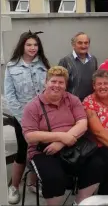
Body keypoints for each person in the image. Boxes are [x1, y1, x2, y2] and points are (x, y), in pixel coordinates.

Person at [21, 66, 103, 206]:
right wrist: (61, 136)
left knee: (98, 165)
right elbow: (30, 136)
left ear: (66, 85)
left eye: (61, 82)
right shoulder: (32, 106)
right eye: (53, 81)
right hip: (43, 151)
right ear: (45, 82)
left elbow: (82, 123)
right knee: (54, 178)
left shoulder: (72, 100)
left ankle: (79, 202)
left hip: (71, 145)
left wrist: (62, 142)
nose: (57, 85)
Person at [4, 30, 50, 204]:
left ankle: (32, 182)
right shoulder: (12, 67)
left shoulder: (44, 65)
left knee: (37, 150)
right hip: (22, 116)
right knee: (24, 151)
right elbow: (10, 96)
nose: (32, 48)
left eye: (35, 45)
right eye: (29, 44)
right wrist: (24, 120)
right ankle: (14, 186)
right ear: (22, 46)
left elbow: (48, 90)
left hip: (42, 115)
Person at [58, 32, 98, 102]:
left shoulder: (93, 60)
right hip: (71, 104)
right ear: (73, 45)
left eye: (86, 43)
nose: (83, 46)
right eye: (80, 43)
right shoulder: (65, 61)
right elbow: (59, 85)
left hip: (91, 103)